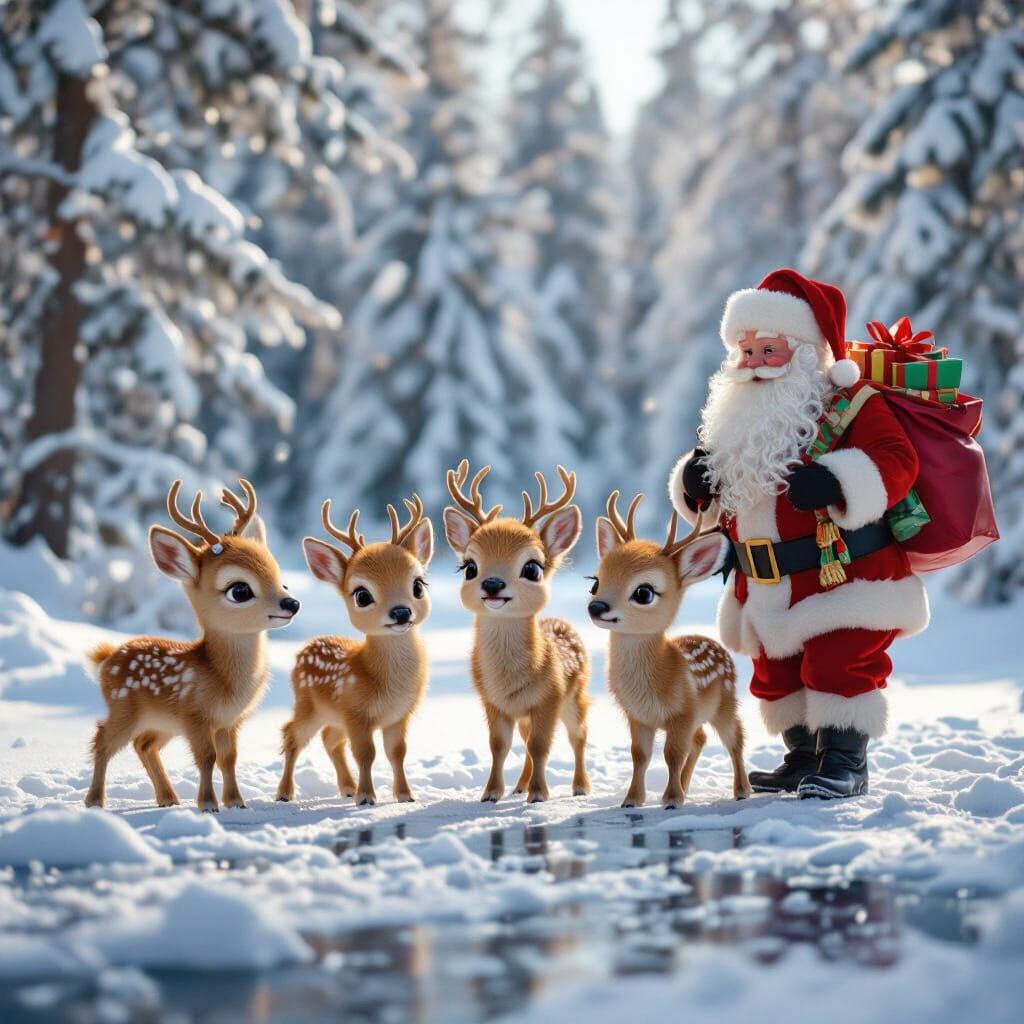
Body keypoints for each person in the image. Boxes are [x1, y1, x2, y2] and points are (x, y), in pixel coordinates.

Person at [669, 268, 928, 799]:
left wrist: (838, 478)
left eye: (771, 351)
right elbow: (722, 498)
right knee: (777, 675)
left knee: (841, 665)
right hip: (767, 579)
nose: (756, 365)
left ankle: (844, 761)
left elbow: (899, 462)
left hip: (845, 577)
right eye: (748, 353)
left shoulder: (852, 405)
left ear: (808, 351)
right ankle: (803, 755)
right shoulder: (733, 418)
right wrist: (695, 485)